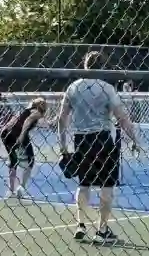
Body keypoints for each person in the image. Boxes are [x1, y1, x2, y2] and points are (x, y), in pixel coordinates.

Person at [54, 51, 141, 245]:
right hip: (103, 140)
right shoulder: (107, 88)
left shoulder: (73, 87)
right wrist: (135, 139)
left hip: (81, 140)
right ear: (103, 67)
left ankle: (80, 225)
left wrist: (63, 146)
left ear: (85, 65)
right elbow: (122, 118)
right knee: (107, 186)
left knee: (84, 184)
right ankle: (102, 230)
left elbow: (61, 118)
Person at [0, 97, 47, 199]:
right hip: (18, 134)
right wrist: (21, 136)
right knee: (30, 161)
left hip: (6, 133)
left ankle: (11, 191)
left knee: (13, 161)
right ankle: (21, 188)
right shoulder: (36, 112)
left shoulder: (25, 111)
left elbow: (43, 124)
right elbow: (27, 122)